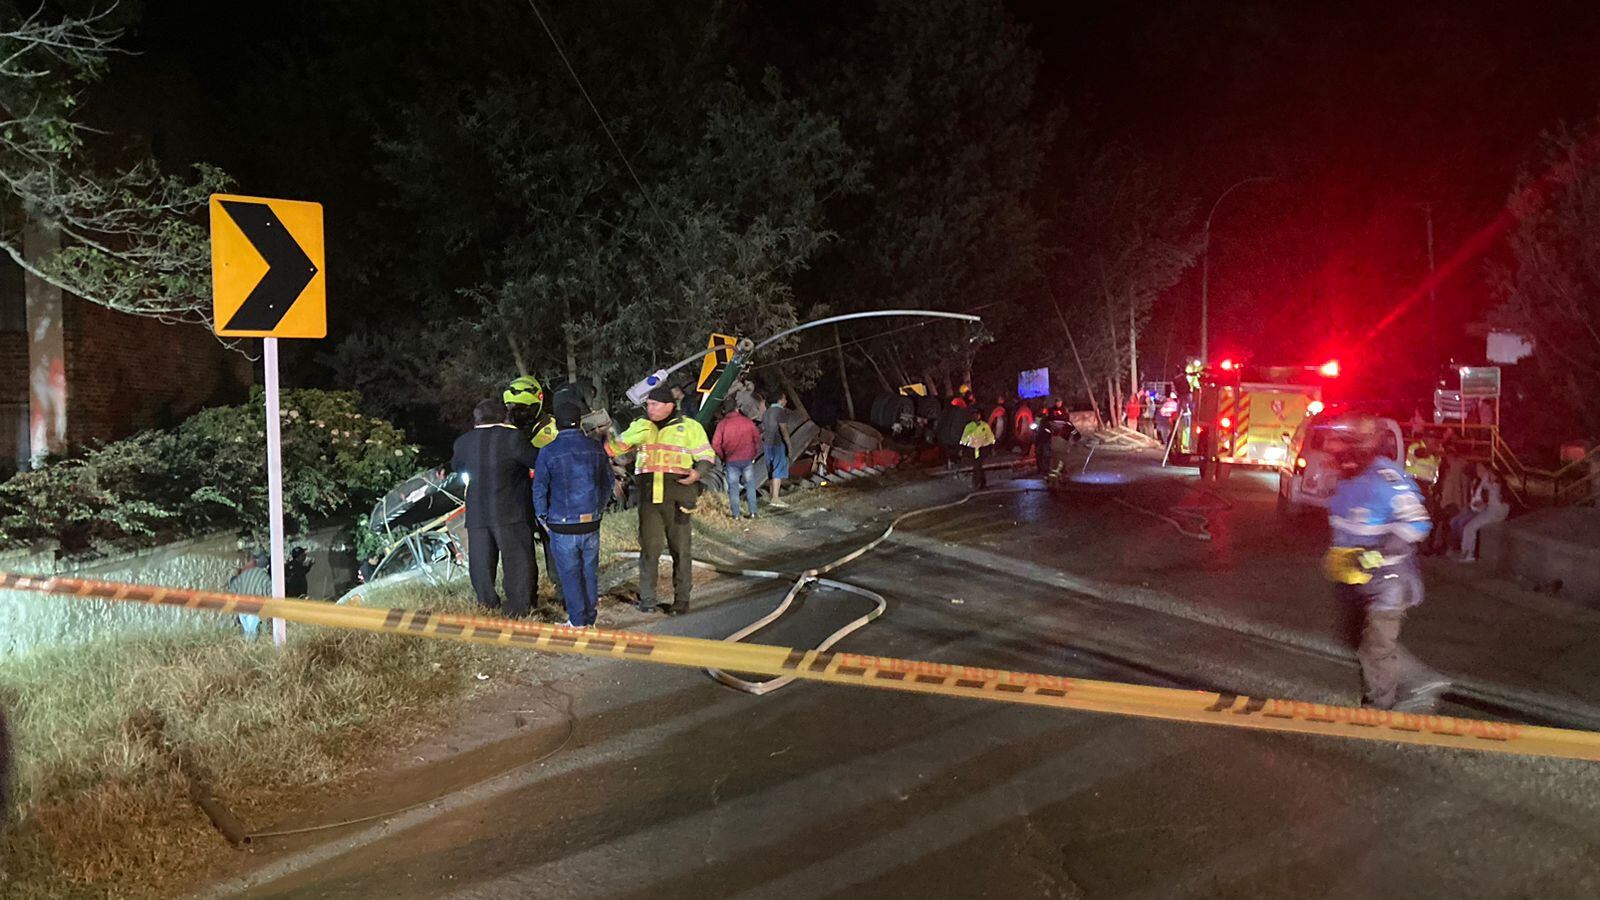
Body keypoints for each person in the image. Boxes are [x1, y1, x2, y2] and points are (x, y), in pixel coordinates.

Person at [1323, 412, 1448, 712]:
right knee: (1354, 638)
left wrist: (1374, 556)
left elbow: (1417, 525)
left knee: (1376, 646)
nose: (1334, 451)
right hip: (1355, 580)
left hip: (1389, 582)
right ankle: (1420, 680)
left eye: (1343, 444)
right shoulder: (1345, 479)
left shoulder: (1388, 480)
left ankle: (1380, 706)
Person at [606, 385, 716, 614]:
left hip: (679, 497)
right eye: (648, 404)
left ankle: (682, 600)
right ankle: (648, 600)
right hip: (649, 499)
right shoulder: (640, 426)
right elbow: (614, 448)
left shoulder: (689, 427)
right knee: (649, 549)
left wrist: (697, 473)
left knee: (681, 549)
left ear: (668, 406)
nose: (650, 408)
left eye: (655, 404)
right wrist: (604, 437)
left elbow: (706, 456)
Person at [452, 398, 540, 617]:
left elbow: (457, 467)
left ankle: (487, 603)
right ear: (504, 416)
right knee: (517, 560)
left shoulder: (462, 442)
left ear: (477, 418)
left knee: (481, 562)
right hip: (510, 510)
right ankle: (519, 607)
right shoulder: (513, 438)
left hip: (477, 513)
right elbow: (536, 461)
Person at [533, 399, 613, 628]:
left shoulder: (548, 452)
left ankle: (577, 621)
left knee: (570, 575)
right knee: (589, 572)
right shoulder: (596, 448)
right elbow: (608, 482)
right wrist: (599, 508)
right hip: (591, 521)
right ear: (579, 422)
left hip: (562, 524)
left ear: (556, 425)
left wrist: (543, 518)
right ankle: (590, 617)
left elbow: (539, 488)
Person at [712, 402, 762, 520]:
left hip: (731, 460)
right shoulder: (748, 422)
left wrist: (723, 456)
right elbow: (757, 440)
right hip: (747, 459)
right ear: (737, 409)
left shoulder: (722, 424)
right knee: (750, 484)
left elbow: (715, 444)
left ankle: (736, 514)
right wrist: (752, 454)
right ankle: (753, 512)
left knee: (733, 487)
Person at [1453, 465, 1510, 562]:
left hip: (1493, 513)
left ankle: (1468, 553)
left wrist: (1484, 505)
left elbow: (1486, 489)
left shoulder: (1495, 486)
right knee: (1465, 525)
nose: (1488, 476)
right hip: (1493, 512)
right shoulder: (1496, 486)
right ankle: (1465, 552)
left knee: (1469, 528)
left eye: (1490, 475)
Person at [227, 550, 272, 638]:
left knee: (245, 635)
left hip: (241, 609)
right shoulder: (265, 577)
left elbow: (233, 586)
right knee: (253, 637)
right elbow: (270, 595)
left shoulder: (245, 574)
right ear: (267, 566)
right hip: (254, 611)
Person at [760, 391, 792, 508]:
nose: (786, 401)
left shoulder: (766, 413)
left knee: (771, 469)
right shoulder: (780, 411)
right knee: (778, 470)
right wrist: (789, 445)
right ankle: (775, 498)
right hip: (777, 443)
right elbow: (783, 430)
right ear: (779, 400)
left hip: (767, 444)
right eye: (784, 399)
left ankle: (771, 496)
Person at [960, 409, 996, 490]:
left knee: (977, 466)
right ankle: (981, 483)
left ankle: (977, 483)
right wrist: (963, 450)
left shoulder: (985, 426)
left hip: (983, 449)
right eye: (974, 415)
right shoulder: (969, 426)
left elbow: (990, 437)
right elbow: (964, 439)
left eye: (977, 415)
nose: (976, 416)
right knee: (977, 466)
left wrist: (992, 448)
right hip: (972, 450)